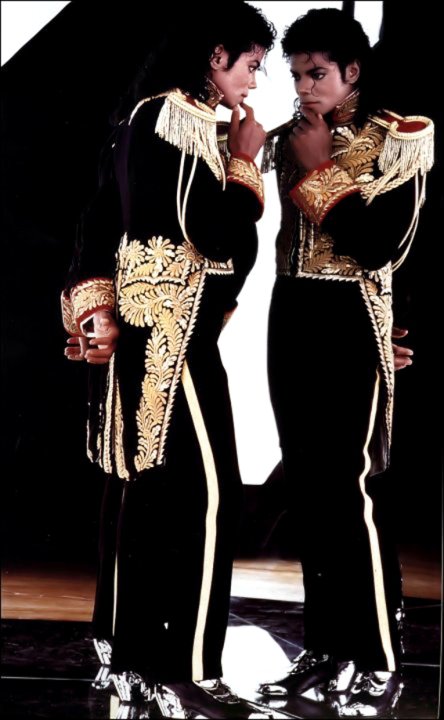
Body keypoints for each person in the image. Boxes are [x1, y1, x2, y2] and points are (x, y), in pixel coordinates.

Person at [62, 3, 278, 717]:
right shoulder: (179, 117)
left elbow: (99, 222)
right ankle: (185, 673)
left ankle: (126, 660)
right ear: (216, 56)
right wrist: (245, 164)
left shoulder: (140, 115)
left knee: (143, 499)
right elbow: (214, 234)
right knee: (208, 500)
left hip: (148, 334)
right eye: (251, 64)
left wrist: (98, 310)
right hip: (173, 341)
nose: (256, 80)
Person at [256, 8, 433, 718]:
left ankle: (379, 658)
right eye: (296, 74)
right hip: (290, 314)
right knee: (309, 493)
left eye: (317, 73)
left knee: (348, 490)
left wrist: (319, 169)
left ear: (352, 71)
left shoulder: (401, 136)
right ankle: (326, 649)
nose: (304, 87)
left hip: (351, 319)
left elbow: (381, 245)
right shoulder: (288, 136)